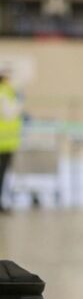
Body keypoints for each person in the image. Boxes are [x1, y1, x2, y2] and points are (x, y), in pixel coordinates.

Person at [0, 69, 21, 213]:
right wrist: (19, 102)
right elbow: (10, 114)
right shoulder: (4, 93)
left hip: (7, 142)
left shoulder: (8, 93)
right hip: (3, 143)